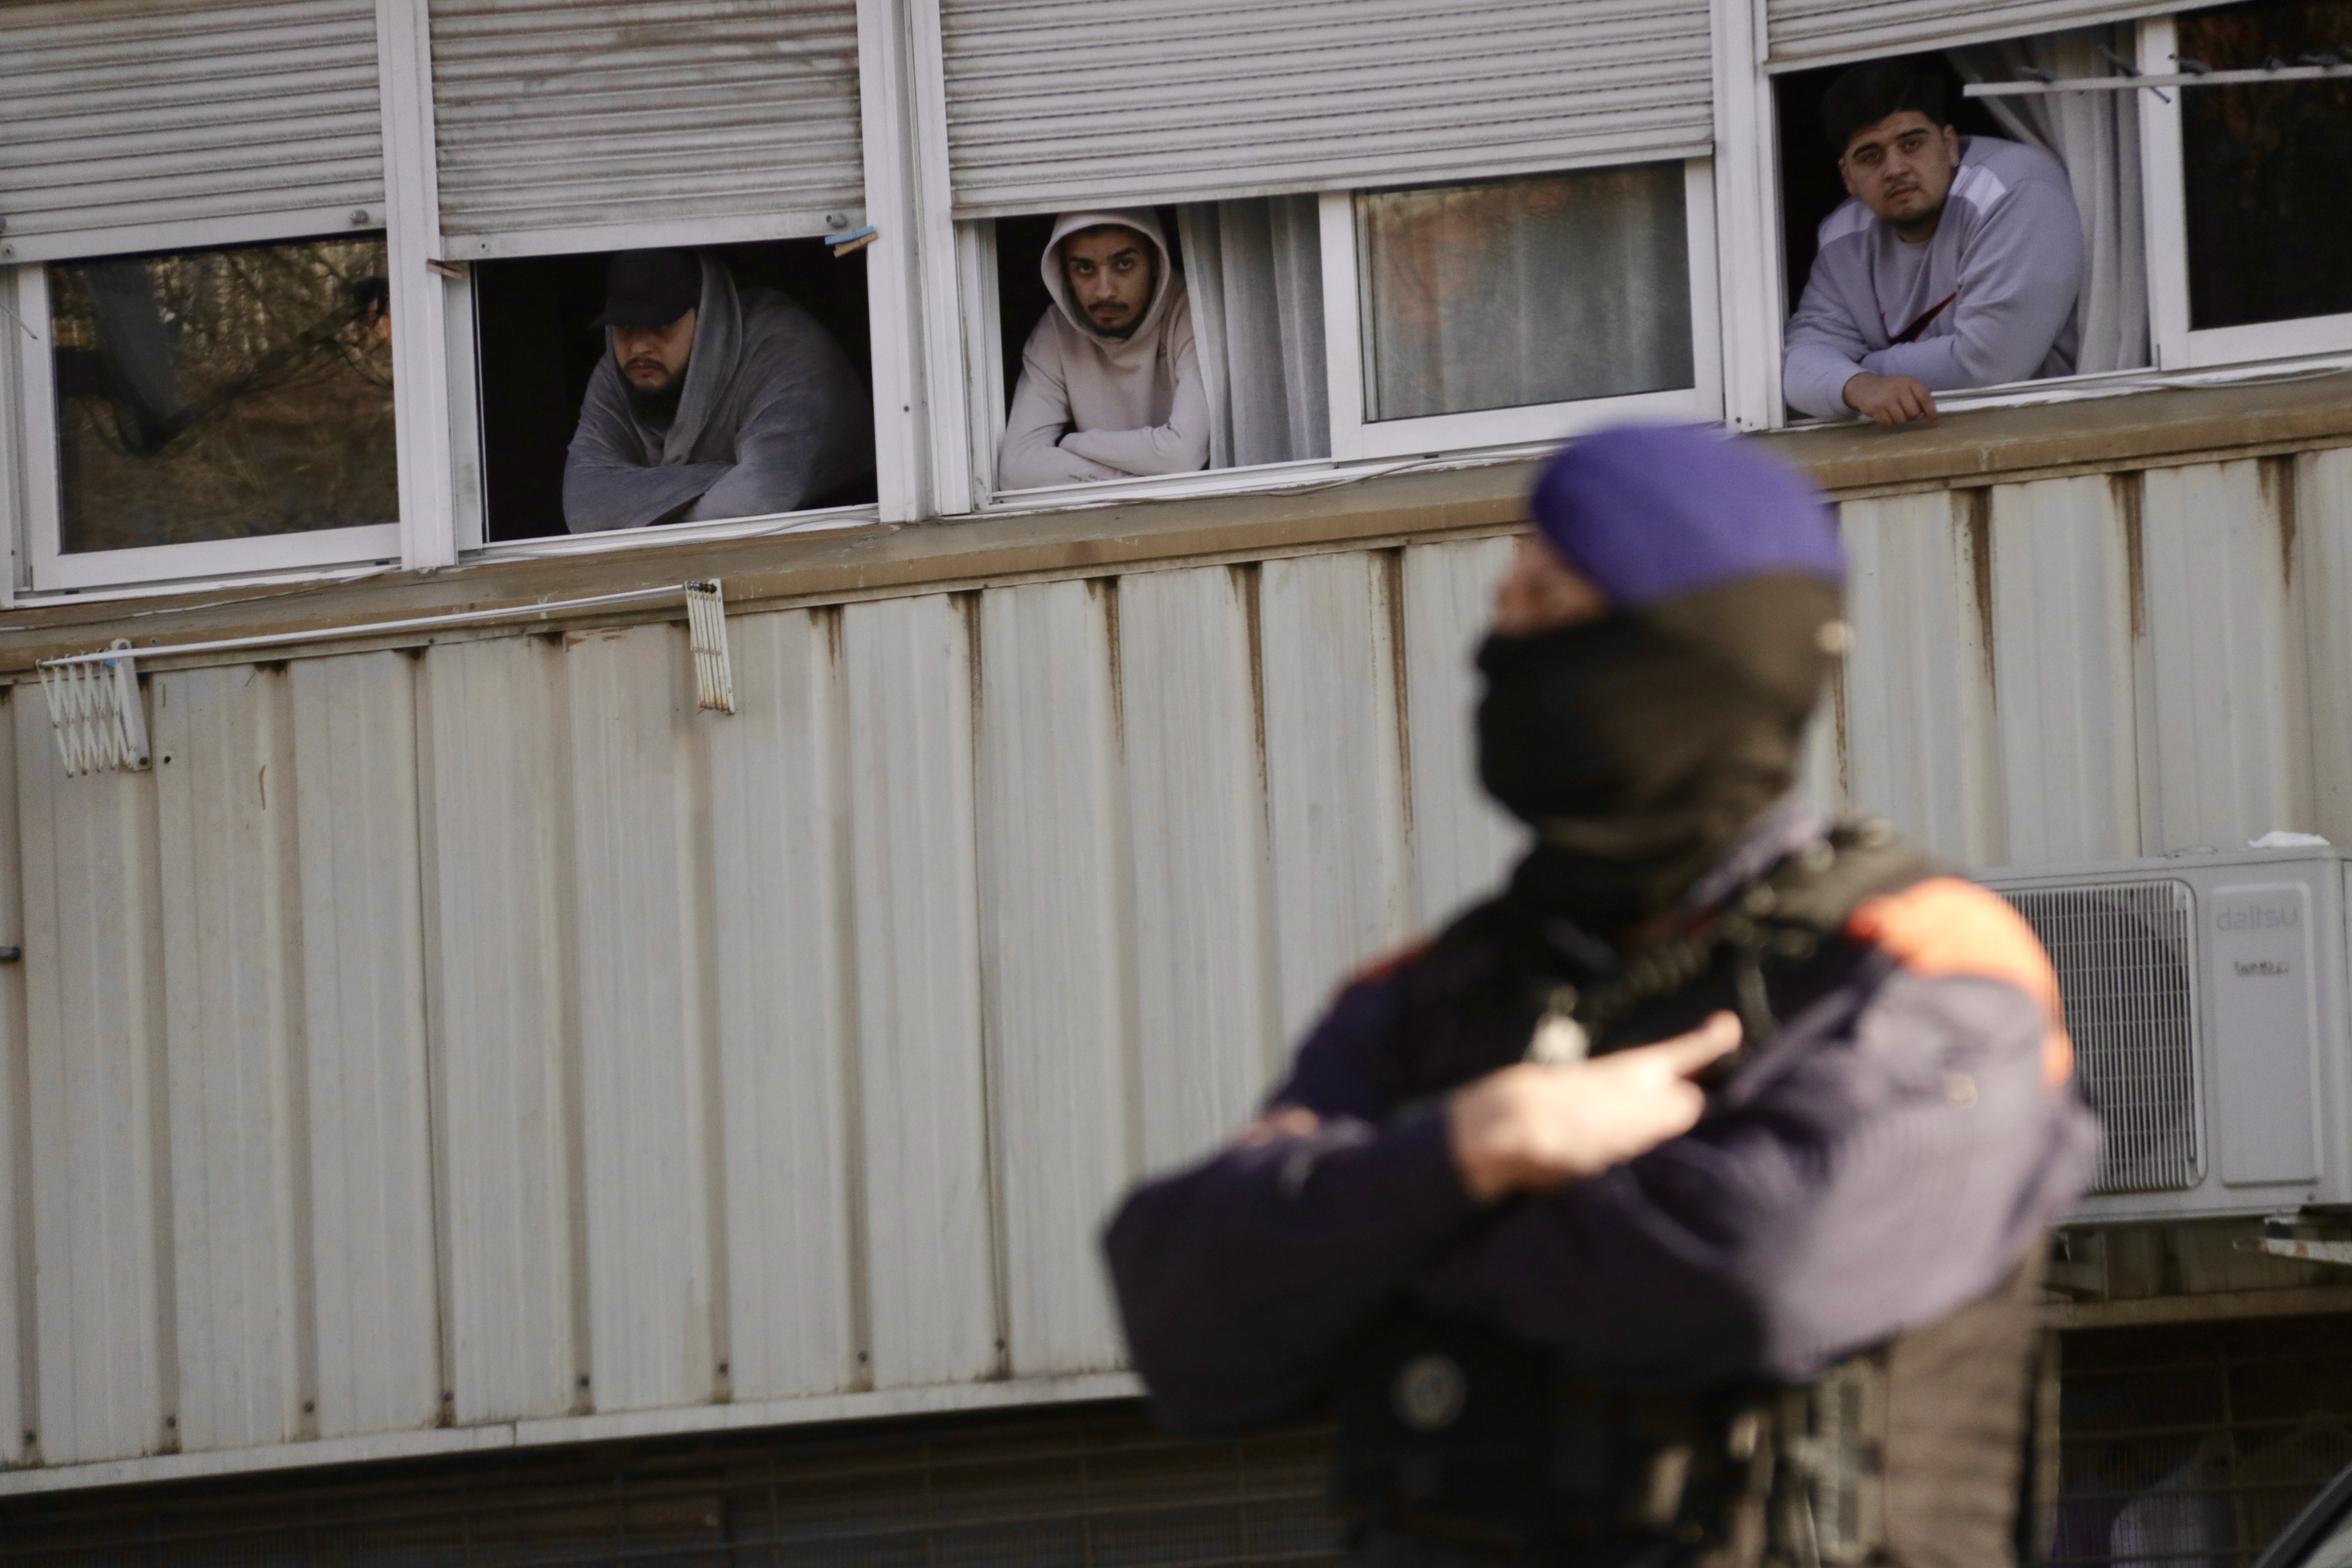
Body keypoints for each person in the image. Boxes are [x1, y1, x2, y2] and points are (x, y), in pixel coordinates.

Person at [1102, 423, 2101, 1566]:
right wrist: (1482, 1141)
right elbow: (1185, 1314)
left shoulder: (1923, 962)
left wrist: (1363, 1226)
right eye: (1502, 610)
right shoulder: (1426, 991)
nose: (1498, 648)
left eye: (1548, 605)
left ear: (1698, 649)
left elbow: (1755, 1270)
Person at [1783, 61, 2087, 429]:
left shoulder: (2012, 190)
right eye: (1871, 156)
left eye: (1912, 144)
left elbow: (1989, 365)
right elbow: (1799, 361)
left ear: (1949, 145)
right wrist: (1856, 386)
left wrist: (1859, 367)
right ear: (1848, 177)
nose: (1895, 168)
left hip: (2047, 426)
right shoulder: (1844, 235)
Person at [563, 247, 873, 532]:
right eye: (625, 327)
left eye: (660, 325)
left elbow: (757, 499)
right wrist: (724, 474)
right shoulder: (622, 370)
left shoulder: (785, 346)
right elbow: (585, 507)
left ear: (707, 317)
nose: (640, 346)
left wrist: (641, 512)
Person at [997, 210, 1209, 489]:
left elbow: (1182, 458)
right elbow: (1016, 472)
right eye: (1085, 269)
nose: (1104, 292)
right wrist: (1133, 477)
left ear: (1157, 262)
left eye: (1124, 265)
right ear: (1063, 272)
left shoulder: (1190, 311)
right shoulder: (1057, 331)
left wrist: (1076, 442)